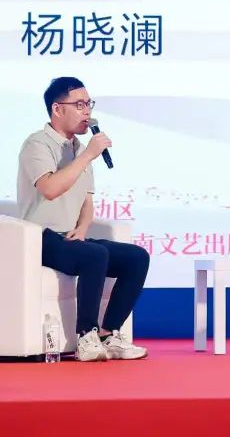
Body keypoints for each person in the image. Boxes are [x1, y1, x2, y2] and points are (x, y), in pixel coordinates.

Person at [17, 77, 150, 361]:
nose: (87, 111)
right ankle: (86, 337)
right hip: (39, 237)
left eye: (89, 104)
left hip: (70, 237)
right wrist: (88, 155)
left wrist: (83, 227)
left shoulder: (80, 150)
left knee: (136, 257)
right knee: (94, 255)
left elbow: (87, 201)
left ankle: (109, 334)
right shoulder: (37, 144)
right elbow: (50, 188)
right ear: (57, 109)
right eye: (79, 105)